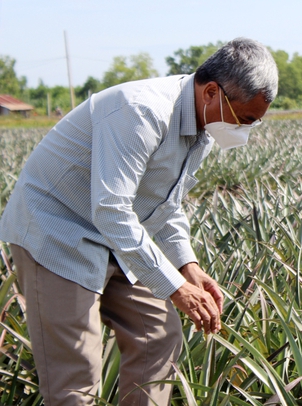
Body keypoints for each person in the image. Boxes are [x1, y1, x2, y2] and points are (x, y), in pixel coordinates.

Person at [0, 37, 278, 405]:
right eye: (244, 119)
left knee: (159, 338)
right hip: (58, 230)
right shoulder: (142, 111)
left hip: (117, 236)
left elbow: (166, 203)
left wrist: (187, 266)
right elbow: (112, 209)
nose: (244, 131)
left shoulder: (203, 125)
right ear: (211, 91)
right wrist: (176, 288)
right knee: (77, 375)